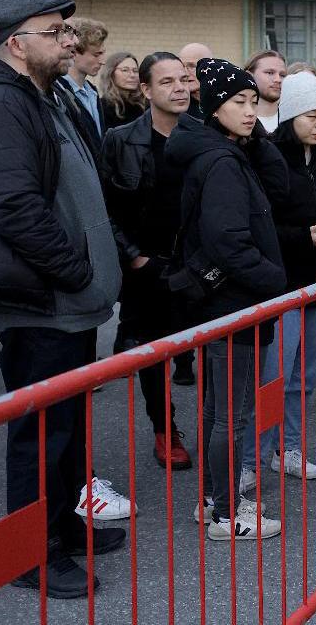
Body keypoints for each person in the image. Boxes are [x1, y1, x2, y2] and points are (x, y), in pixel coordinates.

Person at [0, 0, 125, 598]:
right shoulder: (4, 102)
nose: (69, 41)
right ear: (17, 44)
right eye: (56, 32)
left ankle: (61, 528)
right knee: (40, 436)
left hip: (64, 304)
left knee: (66, 428)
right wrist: (75, 272)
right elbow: (13, 206)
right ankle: (28, 554)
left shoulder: (47, 97)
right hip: (41, 304)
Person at [165, 57, 287, 541]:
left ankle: (214, 501)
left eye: (254, 101)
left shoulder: (226, 150)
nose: (250, 110)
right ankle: (225, 513)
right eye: (239, 102)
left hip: (228, 304)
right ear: (214, 107)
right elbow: (228, 239)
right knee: (231, 417)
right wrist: (273, 279)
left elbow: (274, 188)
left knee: (222, 411)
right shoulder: (219, 161)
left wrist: (252, 137)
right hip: (235, 304)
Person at [238, 71, 316, 490]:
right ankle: (250, 458)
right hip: (283, 286)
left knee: (305, 377)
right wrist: (300, 238)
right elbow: (260, 224)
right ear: (289, 116)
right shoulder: (267, 158)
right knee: (273, 377)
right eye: (311, 115)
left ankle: (288, 448)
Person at [99, 52, 194, 470]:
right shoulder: (121, 139)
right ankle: (164, 427)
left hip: (196, 263)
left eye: (184, 79)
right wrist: (134, 257)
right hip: (147, 266)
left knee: (208, 349)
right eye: (168, 81)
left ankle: (218, 433)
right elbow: (106, 206)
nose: (180, 88)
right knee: (155, 354)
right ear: (146, 89)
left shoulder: (202, 134)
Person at [53, 15, 106, 151]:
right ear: (74, 52)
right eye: (96, 54)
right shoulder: (56, 91)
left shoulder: (92, 92)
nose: (102, 60)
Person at [99, 51, 144, 130]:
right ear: (111, 73)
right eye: (125, 70)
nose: (132, 75)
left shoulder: (142, 106)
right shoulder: (102, 107)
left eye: (135, 71)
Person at [246, 49, 287, 133]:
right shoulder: (236, 121)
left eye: (282, 75)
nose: (278, 79)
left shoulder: (291, 122)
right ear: (250, 76)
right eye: (270, 73)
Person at [178, 42, 212, 120]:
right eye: (182, 66)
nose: (185, 73)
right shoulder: (175, 104)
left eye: (192, 66)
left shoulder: (224, 100)